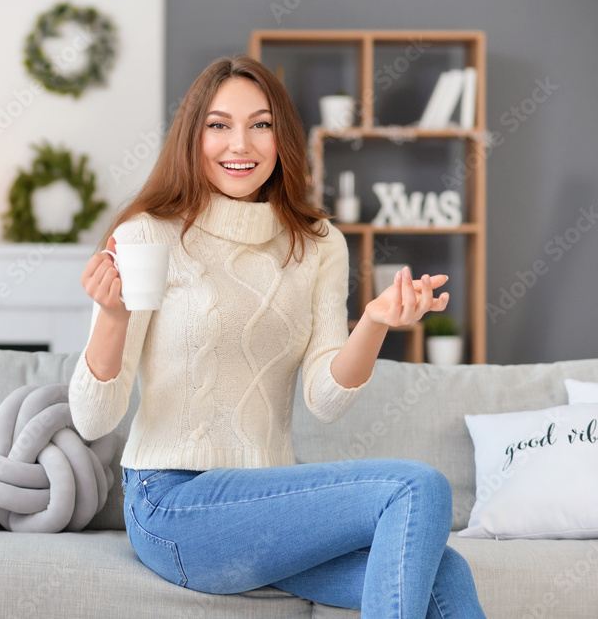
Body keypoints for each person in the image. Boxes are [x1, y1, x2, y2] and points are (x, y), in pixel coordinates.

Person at [67, 55, 486, 618]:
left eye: (260, 124)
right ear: (193, 137)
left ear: (281, 136)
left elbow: (326, 398)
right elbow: (93, 421)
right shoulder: (146, 234)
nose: (240, 144)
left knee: (445, 572)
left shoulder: (316, 244)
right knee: (417, 487)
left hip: (267, 501)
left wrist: (375, 322)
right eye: (218, 125)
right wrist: (113, 317)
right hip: (172, 503)